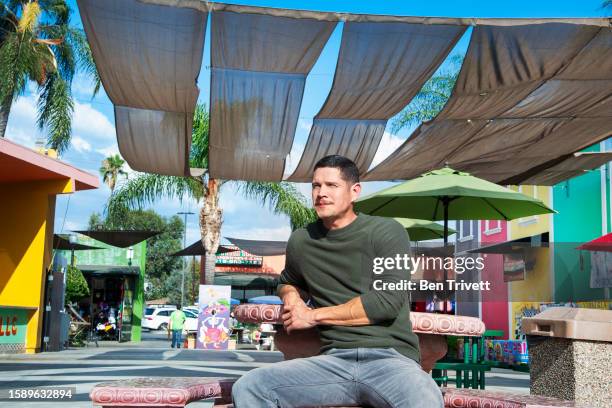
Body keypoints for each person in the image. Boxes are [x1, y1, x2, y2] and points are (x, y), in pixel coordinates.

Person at [232, 155, 443, 407]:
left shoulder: (386, 231)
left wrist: (311, 315)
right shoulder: (302, 240)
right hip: (333, 361)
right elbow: (287, 281)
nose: (321, 193)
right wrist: (292, 298)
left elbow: (385, 303)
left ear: (354, 192)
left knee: (424, 398)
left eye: (331, 185)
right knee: (251, 386)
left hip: (391, 360)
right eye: (316, 185)